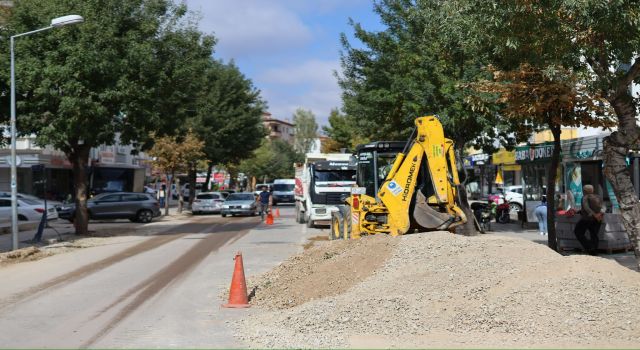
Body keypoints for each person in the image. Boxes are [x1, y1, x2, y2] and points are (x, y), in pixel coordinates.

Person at [574, 184, 603, 255]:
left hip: (587, 218)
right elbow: (603, 207)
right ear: (592, 190)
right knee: (594, 234)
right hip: (598, 219)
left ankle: (589, 247)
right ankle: (594, 251)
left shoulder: (585, 197)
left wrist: (593, 214)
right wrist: (599, 214)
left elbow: (586, 207)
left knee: (578, 232)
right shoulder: (598, 197)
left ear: (585, 191)